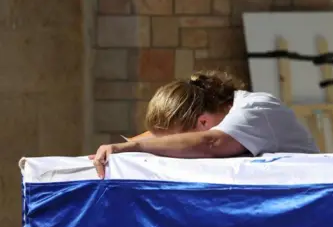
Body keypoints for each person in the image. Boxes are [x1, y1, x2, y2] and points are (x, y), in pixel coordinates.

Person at [89, 70, 319, 178]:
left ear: (203, 122)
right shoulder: (212, 119)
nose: (176, 145)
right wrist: (117, 150)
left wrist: (135, 148)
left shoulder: (257, 109)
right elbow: (159, 138)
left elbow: (211, 143)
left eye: (179, 138)